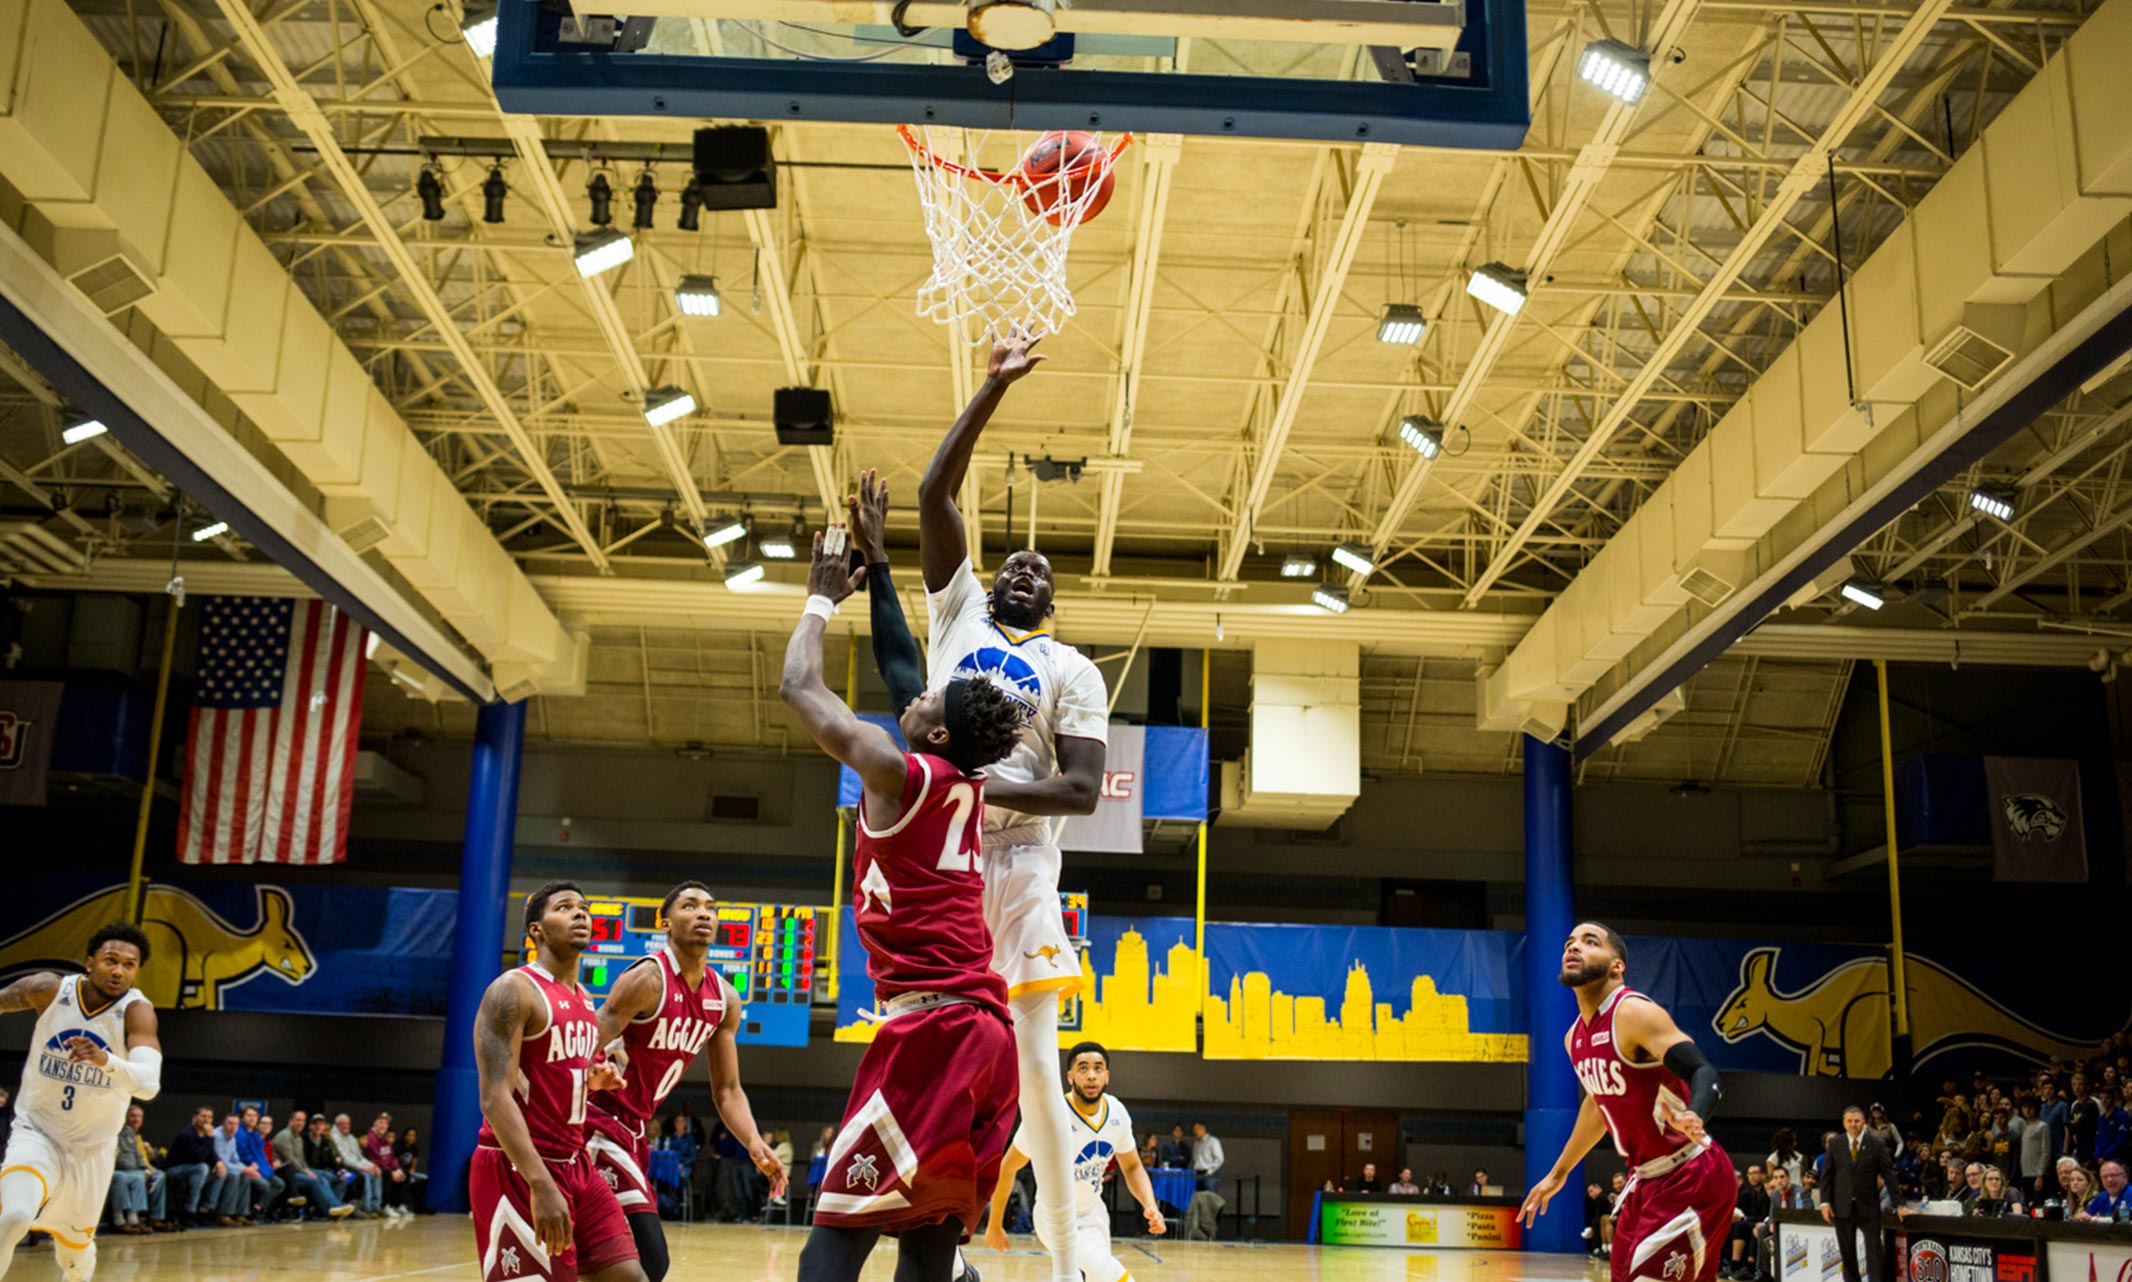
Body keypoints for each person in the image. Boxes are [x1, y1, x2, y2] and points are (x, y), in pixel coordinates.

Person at [909, 339, 1110, 1282]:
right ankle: (939, 1250)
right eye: (1012, 561)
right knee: (936, 1059)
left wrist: (976, 786)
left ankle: (1069, 1258)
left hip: (1023, 862)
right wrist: (992, 385)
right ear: (988, 581)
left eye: (1040, 569)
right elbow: (933, 496)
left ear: (1054, 597)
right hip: (941, 860)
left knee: (1034, 1072)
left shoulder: (1072, 668)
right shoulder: (955, 619)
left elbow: (1077, 790)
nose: (1023, 569)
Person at [781, 524, 1025, 1282]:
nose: (912, 695)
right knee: (927, 1245)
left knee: (836, 1236)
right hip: (989, 1040)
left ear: (938, 727)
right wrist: (883, 566)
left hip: (934, 1034)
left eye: (925, 698)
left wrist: (821, 598)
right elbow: (901, 667)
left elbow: (799, 688)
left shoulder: (898, 774)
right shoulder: (964, 785)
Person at [586, 881, 786, 1282]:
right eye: (690, 906)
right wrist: (594, 1074)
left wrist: (753, 1141)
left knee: (615, 1261)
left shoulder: (725, 998)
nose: (703, 914)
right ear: (665, 922)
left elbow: (727, 1090)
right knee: (648, 1260)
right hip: (595, 1124)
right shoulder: (647, 979)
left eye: (710, 907)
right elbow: (582, 1043)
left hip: (634, 1131)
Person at [1520, 923, 1732, 1282]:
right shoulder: (1575, 1038)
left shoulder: (1633, 1013)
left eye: (1590, 942)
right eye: (1569, 942)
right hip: (1645, 1181)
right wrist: (1559, 1173)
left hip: (1692, 1174)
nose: (1574, 948)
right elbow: (1597, 1105)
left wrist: (1695, 1114)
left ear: (1617, 965)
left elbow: (1703, 1071)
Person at [469, 882, 644, 1282]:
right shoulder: (512, 990)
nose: (580, 914)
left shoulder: (584, 998)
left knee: (627, 1275)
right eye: (564, 908)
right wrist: (539, 1182)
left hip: (575, 1163)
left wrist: (592, 1080)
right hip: (517, 1166)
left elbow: (550, 1072)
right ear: (537, 930)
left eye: (583, 908)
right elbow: (495, 1097)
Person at [0, 922, 161, 1282]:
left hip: (92, 1149)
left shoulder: (137, 1012)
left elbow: (149, 1085)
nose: (119, 970)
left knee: (73, 1257)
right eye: (110, 960)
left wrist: (106, 1061)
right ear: (89, 963)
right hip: (37, 1131)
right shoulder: (48, 990)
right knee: (13, 1216)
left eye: (129, 965)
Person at [984, 1042, 1165, 1282]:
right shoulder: (1049, 1115)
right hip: (1054, 1217)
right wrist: (994, 1225)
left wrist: (1149, 1205)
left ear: (1107, 1076)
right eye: (1083, 1068)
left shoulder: (1117, 1113)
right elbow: (1007, 1168)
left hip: (1094, 1215)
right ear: (1070, 1077)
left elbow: (1132, 1166)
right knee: (1114, 1276)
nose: (1091, 1075)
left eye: (1098, 1068)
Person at [1822, 1106, 1896, 1282]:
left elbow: (1889, 1175)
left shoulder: (1876, 1143)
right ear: (1844, 1123)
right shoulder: (1835, 1144)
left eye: (1857, 1121)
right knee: (1847, 1253)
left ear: (1863, 1122)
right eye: (1849, 1121)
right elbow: (1827, 1175)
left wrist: (1900, 1204)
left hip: (1868, 1206)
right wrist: (1825, 1202)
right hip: (1842, 1206)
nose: (1853, 1124)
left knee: (1874, 1253)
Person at [271, 1109, 349, 1219]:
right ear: (290, 1121)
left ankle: (334, 1206)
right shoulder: (284, 1136)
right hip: (286, 1174)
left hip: (298, 1170)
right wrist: (306, 1172)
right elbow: (290, 1160)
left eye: (302, 1120)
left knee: (336, 1178)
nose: (300, 1123)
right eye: (297, 1120)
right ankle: (328, 1210)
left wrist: (307, 1170)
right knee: (316, 1180)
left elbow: (302, 1160)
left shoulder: (298, 1138)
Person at [108, 1105, 167, 1234]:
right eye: (132, 1116)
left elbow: (136, 1153)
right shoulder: (112, 1132)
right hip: (115, 1169)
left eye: (138, 1116)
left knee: (156, 1176)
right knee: (126, 1177)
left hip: (132, 1170)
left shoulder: (129, 1132)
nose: (135, 1119)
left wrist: (144, 1168)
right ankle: (119, 1220)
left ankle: (139, 1217)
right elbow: (117, 1158)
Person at [364, 1114, 412, 1218]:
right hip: (373, 1167)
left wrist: (397, 1169)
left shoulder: (385, 1139)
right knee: (388, 1174)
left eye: (386, 1123)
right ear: (375, 1123)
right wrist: (392, 1171)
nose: (383, 1125)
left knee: (406, 1174)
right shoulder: (371, 1137)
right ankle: (384, 1206)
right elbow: (375, 1158)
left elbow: (391, 1157)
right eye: (381, 1122)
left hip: (385, 1167)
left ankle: (396, 1205)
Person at [1727, 1164, 1770, 1280]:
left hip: (1767, 1222)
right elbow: (1753, 1214)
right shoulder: (1753, 1192)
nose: (1753, 1176)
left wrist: (1745, 1219)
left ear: (1762, 1175)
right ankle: (1734, 1265)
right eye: (1750, 1174)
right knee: (1737, 1225)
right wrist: (1744, 1218)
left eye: (1755, 1173)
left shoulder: (1766, 1191)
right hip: (1758, 1220)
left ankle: (1750, 1269)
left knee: (1748, 1227)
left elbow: (1764, 1216)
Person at [1191, 1123, 1224, 1192]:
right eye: (1194, 1130)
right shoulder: (1196, 1143)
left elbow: (1219, 1158)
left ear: (1203, 1129)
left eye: (1197, 1130)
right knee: (1199, 1198)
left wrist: (1210, 1171)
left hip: (1209, 1173)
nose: (1195, 1132)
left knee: (1210, 1198)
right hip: (1198, 1173)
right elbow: (1196, 1158)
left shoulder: (1212, 1141)